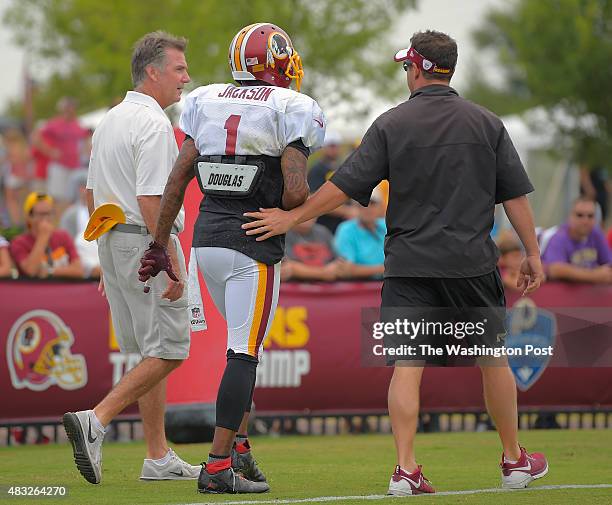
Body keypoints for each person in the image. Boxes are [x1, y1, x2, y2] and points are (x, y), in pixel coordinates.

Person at [242, 30, 547, 494]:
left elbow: (342, 186)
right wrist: (532, 252)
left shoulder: (391, 123)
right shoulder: (487, 122)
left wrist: (293, 217)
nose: (406, 73)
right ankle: (514, 461)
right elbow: (515, 198)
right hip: (471, 263)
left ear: (420, 67)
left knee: (407, 366)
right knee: (493, 360)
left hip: (408, 263)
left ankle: (406, 469)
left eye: (407, 66)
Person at [138, 22, 325, 494]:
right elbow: (296, 190)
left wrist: (159, 245)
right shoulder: (290, 107)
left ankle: (240, 449)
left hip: (206, 246)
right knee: (244, 353)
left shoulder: (205, 100)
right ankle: (219, 465)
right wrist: (304, 205)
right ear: (276, 61)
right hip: (251, 246)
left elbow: (179, 180)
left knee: (239, 349)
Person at [62, 31, 199, 485]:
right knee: (172, 349)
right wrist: (167, 258)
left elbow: (90, 193)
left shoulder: (111, 119)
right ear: (154, 72)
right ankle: (95, 420)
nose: (186, 77)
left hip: (112, 242)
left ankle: (157, 456)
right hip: (145, 241)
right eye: (179, 69)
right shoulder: (155, 123)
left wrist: (108, 259)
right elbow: (150, 200)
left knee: (147, 351)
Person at [32, 97, 88, 215]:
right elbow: (36, 137)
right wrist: (50, 151)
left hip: (74, 167)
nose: (70, 110)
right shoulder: (54, 124)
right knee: (58, 199)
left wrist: (83, 153)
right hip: (59, 167)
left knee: (73, 199)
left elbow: (85, 141)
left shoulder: (77, 124)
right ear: (62, 109)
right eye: (68, 107)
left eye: (72, 107)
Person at [10, 192, 83, 279]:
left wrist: (50, 272)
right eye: (41, 214)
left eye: (49, 213)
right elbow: (30, 271)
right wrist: (43, 237)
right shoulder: (18, 243)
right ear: (29, 217)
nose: (46, 219)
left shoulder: (63, 236)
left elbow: (79, 270)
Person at [541, 197, 612, 283]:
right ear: (569, 217)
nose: (585, 220)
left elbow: (608, 264)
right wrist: (594, 275)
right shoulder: (559, 237)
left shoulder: (596, 234)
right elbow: (554, 269)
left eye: (590, 216)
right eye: (579, 215)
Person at [307, 131, 356, 233]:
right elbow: (314, 199)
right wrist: (346, 211)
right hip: (325, 225)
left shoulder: (343, 167)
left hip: (343, 225)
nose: (334, 149)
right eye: (331, 146)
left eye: (336, 146)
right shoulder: (317, 169)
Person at [334, 190, 386, 279]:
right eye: (362, 204)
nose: (367, 208)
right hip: (358, 287)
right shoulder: (346, 229)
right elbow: (345, 269)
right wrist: (385, 269)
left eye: (372, 204)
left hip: (386, 284)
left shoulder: (386, 225)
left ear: (380, 207)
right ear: (355, 207)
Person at [60, 172, 101, 278]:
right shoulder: (70, 214)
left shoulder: (104, 210)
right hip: (80, 255)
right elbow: (67, 241)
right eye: (83, 187)